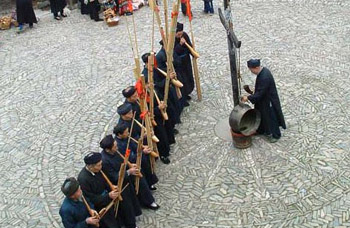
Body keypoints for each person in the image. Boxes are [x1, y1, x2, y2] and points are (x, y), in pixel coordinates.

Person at [78, 152, 140, 228]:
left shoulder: (98, 169)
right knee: (109, 219)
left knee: (125, 199)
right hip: (100, 202)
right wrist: (108, 196)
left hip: (108, 194)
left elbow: (105, 180)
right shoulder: (83, 179)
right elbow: (91, 198)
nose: (101, 167)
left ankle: (130, 224)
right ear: (90, 167)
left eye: (101, 164)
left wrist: (111, 187)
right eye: (99, 165)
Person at [100, 135, 160, 210]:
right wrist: (128, 172)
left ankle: (148, 195)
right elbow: (114, 177)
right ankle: (147, 201)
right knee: (135, 177)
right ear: (108, 150)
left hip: (125, 172)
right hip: (119, 180)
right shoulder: (105, 161)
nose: (117, 148)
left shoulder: (115, 151)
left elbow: (123, 160)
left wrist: (130, 165)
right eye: (115, 147)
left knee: (139, 171)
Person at [241, 59, 286, 143]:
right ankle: (261, 130)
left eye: (251, 70)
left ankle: (276, 135)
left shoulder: (264, 77)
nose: (251, 72)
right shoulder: (262, 72)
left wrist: (248, 98)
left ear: (257, 67)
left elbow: (260, 93)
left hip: (268, 101)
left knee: (271, 117)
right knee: (260, 114)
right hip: (263, 99)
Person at [174, 22, 195, 100]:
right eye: (178, 35)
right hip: (179, 62)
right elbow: (173, 52)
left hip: (186, 59)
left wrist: (192, 53)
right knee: (183, 78)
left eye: (181, 34)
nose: (180, 36)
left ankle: (189, 91)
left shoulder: (184, 35)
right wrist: (180, 44)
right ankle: (184, 94)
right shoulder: (172, 39)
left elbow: (189, 45)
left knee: (189, 75)